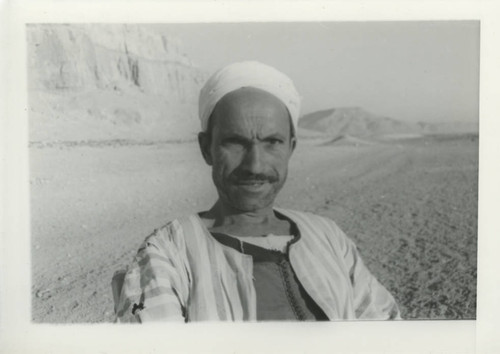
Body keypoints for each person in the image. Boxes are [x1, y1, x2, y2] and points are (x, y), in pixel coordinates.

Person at [112, 61, 400, 322]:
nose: (255, 165)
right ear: (206, 148)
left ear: (291, 148)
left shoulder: (328, 237)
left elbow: (384, 330)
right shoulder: (169, 252)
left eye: (272, 142)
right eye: (235, 142)